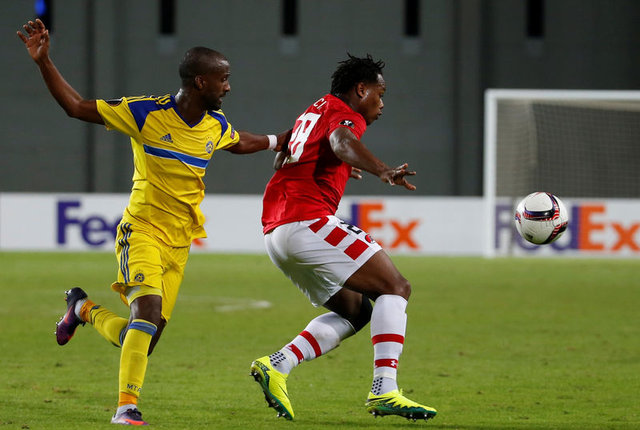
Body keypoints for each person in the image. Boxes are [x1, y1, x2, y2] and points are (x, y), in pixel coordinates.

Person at [18, 19, 290, 426]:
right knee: (145, 315)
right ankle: (126, 408)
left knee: (142, 339)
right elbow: (76, 107)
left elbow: (239, 142)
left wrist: (279, 140)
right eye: (223, 79)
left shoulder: (215, 125)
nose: (228, 87)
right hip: (142, 230)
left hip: (180, 244)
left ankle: (83, 308)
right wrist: (44, 62)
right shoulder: (145, 112)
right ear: (200, 82)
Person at [249, 54, 438, 422]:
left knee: (356, 311)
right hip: (308, 222)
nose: (381, 104)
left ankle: (277, 364)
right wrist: (382, 170)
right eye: (380, 94)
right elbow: (340, 141)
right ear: (361, 89)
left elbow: (283, 160)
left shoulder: (313, 111)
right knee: (395, 287)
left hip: (276, 233)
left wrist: (335, 166)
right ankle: (385, 389)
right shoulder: (343, 113)